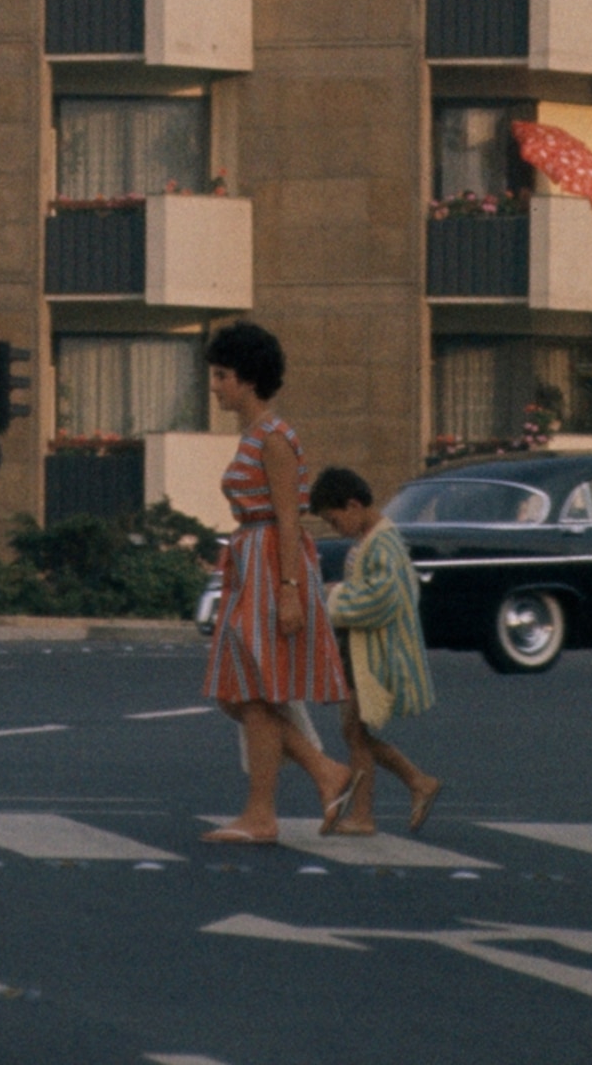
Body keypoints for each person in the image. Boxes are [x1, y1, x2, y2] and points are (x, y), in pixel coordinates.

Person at [199, 318, 354, 841]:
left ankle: (263, 813)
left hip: (270, 564)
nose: (215, 386)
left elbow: (289, 518)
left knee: (253, 692)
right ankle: (321, 771)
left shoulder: (274, 437)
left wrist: (289, 592)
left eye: (221, 376)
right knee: (242, 692)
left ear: (247, 378)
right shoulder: (256, 435)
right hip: (252, 562)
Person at [312, 466, 443, 837]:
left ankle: (412, 784)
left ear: (353, 505)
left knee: (354, 731)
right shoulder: (373, 539)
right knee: (354, 731)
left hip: (372, 652)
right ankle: (373, 808)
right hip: (360, 649)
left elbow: (383, 596)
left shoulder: (383, 543)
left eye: (334, 519)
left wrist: (334, 596)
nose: (335, 527)